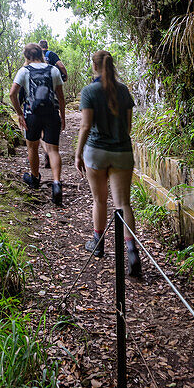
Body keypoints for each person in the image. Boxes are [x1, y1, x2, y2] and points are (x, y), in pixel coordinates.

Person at [75, 49, 140, 277]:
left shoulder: (89, 91)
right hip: (122, 150)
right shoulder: (123, 91)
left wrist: (78, 153)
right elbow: (128, 126)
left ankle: (98, 244)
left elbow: (85, 126)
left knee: (99, 200)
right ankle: (132, 251)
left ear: (94, 66)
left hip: (97, 152)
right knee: (123, 203)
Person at [10, 43, 65, 206]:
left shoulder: (24, 71)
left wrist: (20, 113)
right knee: (54, 150)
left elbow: (12, 93)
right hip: (51, 114)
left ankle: (34, 178)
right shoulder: (53, 70)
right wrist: (63, 116)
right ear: (42, 54)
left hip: (31, 115)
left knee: (32, 147)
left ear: (27, 56)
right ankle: (56, 184)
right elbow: (61, 97)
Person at [37, 40, 67, 169]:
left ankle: (46, 151)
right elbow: (60, 65)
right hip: (51, 93)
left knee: (40, 130)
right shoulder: (52, 54)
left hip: (37, 95)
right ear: (47, 46)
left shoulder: (35, 57)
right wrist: (65, 75)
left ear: (39, 47)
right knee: (50, 123)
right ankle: (50, 151)